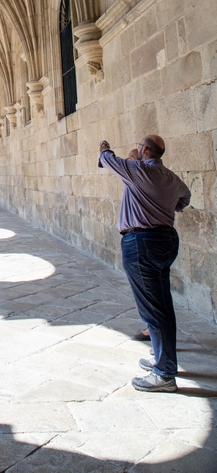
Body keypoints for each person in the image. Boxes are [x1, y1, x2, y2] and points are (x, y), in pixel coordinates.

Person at [99, 135, 191, 393]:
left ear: (145, 149)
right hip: (166, 239)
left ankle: (164, 374)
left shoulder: (137, 170)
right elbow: (185, 198)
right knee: (162, 305)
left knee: (154, 310)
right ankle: (162, 359)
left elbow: (106, 159)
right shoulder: (170, 177)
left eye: (140, 145)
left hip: (141, 243)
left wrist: (105, 147)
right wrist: (164, 206)